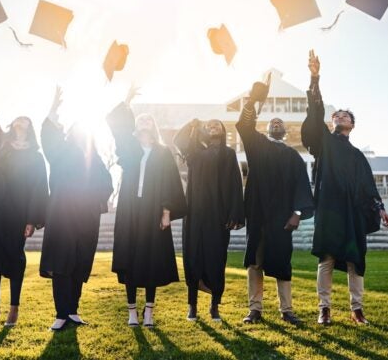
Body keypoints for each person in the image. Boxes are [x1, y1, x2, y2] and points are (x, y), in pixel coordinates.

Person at [302, 50, 388, 325]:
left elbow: (368, 187)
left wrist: (381, 210)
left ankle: (357, 309)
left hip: (352, 213)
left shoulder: (357, 156)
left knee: (355, 261)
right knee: (327, 259)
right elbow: (315, 111)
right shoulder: (324, 144)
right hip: (330, 210)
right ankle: (324, 309)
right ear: (332, 123)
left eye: (345, 115)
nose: (339, 116)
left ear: (351, 125)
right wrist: (315, 77)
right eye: (336, 115)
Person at [106, 86, 187, 328]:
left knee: (152, 260)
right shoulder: (128, 149)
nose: (144, 122)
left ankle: (149, 311)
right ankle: (132, 311)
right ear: (135, 126)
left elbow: (171, 183)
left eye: (148, 120)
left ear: (153, 127)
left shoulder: (163, 153)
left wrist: (166, 211)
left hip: (153, 210)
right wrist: (128, 100)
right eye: (140, 120)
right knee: (129, 259)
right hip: (130, 210)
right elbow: (115, 123)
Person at [236, 78, 314, 325]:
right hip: (258, 215)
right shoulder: (257, 146)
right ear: (268, 129)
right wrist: (252, 100)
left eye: (280, 122)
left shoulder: (294, 157)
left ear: (286, 130)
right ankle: (255, 309)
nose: (277, 123)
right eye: (272, 122)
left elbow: (302, 186)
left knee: (282, 263)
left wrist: (298, 213)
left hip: (281, 218)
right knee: (254, 263)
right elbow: (244, 125)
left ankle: (287, 310)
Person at [0, 78, 49, 327]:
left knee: (15, 258)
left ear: (30, 126)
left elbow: (39, 188)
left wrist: (31, 219)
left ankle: (13, 308)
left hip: (17, 215)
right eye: (18, 118)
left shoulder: (35, 157)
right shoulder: (0, 144)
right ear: (13, 123)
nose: (22, 121)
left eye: (26, 119)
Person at [40, 87, 113, 331]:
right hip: (62, 215)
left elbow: (107, 183)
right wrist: (53, 109)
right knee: (62, 263)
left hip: (86, 218)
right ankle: (61, 313)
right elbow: (49, 136)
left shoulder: (95, 157)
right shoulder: (60, 151)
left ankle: (72, 311)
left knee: (80, 263)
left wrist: (96, 201)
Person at [174, 118, 244, 322]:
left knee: (216, 259)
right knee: (193, 257)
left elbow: (235, 184)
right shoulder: (194, 153)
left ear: (223, 131)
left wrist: (234, 214)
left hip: (218, 215)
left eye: (217, 125)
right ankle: (192, 306)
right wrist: (191, 125)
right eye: (209, 125)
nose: (213, 127)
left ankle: (215, 306)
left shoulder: (229, 154)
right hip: (194, 213)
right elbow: (179, 140)